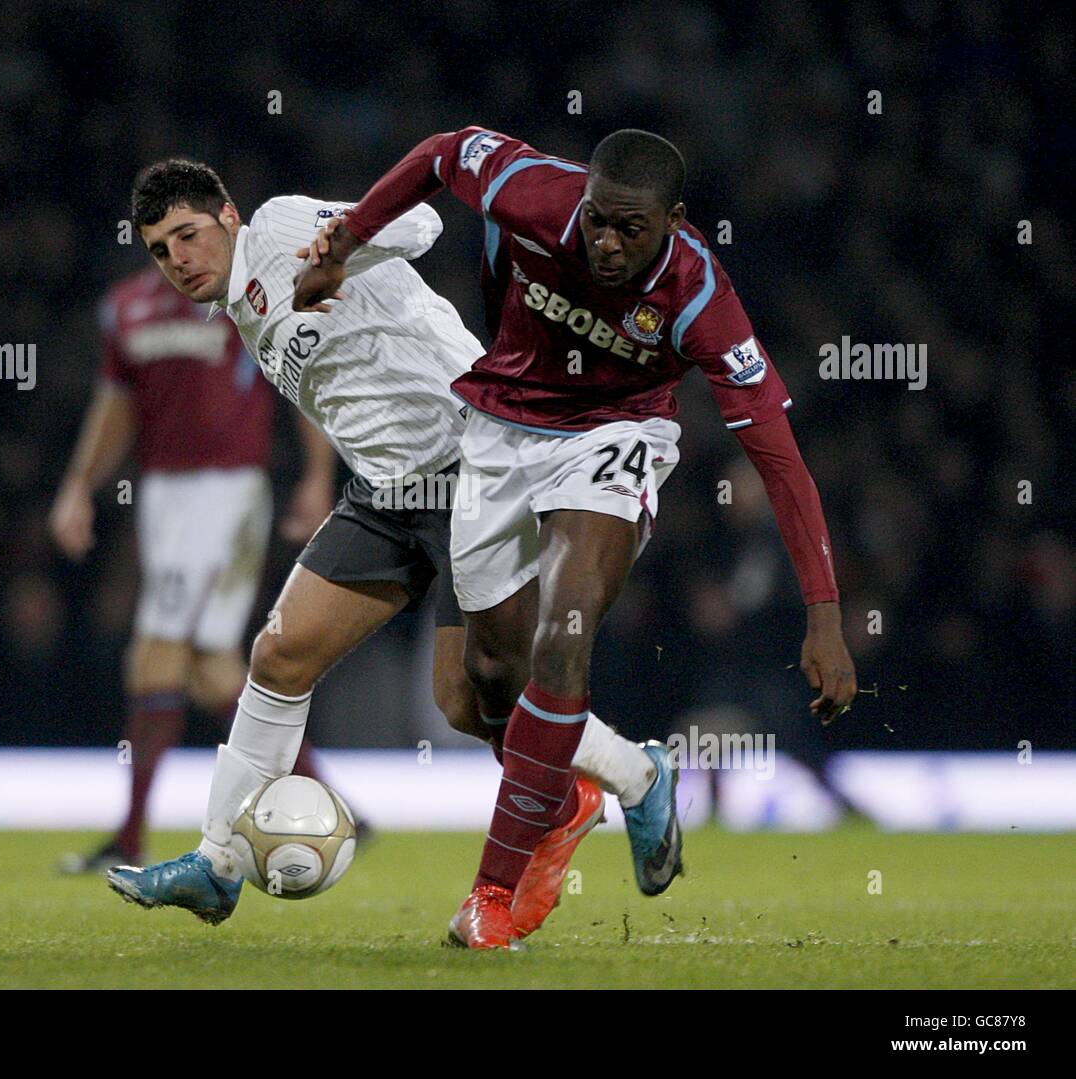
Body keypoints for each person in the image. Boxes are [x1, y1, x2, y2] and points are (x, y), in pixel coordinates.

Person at [294, 126, 859, 949]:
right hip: (500, 426)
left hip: (613, 438)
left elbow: (779, 458)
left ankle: (492, 895)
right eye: (599, 219)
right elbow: (442, 153)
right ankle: (635, 776)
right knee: (488, 681)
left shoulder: (702, 297)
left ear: (675, 220)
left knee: (562, 639)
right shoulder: (536, 191)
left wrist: (825, 613)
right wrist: (345, 241)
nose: (605, 241)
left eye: (631, 228)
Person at [106, 160, 663, 928]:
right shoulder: (235, 304)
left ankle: (636, 776)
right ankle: (217, 862)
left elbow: (422, 224)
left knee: (472, 701)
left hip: (471, 462)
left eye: (188, 235)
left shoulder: (281, 225)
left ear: (228, 217)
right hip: (386, 489)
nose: (179, 260)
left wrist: (342, 247)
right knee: (279, 655)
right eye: (161, 251)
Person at [50, 265, 335, 872]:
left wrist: (316, 476)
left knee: (154, 655)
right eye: (158, 238)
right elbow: (115, 404)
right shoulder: (125, 306)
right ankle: (334, 804)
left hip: (226, 492)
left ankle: (128, 840)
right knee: (212, 670)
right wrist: (79, 485)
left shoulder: (240, 300)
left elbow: (297, 383)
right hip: (162, 499)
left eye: (185, 232)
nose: (175, 251)